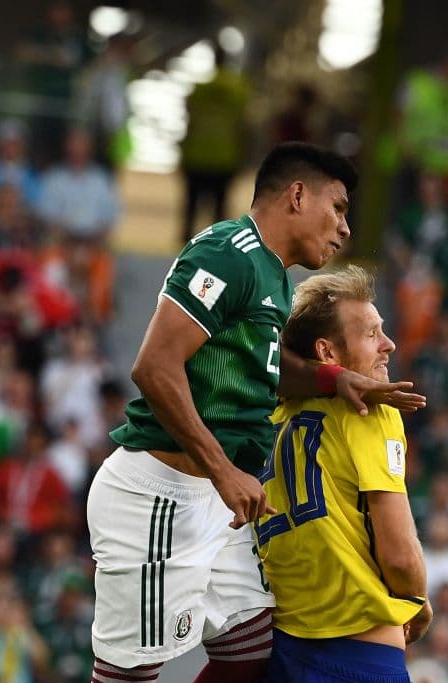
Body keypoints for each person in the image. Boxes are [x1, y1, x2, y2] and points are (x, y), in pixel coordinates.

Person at [86, 143, 426, 683]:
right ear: (297, 195)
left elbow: (270, 368)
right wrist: (223, 471)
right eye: (337, 208)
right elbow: (154, 366)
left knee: (251, 650)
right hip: (163, 494)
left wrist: (334, 379)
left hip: (215, 502)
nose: (345, 228)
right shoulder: (230, 252)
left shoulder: (270, 274)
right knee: (129, 674)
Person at [259, 264, 433, 681]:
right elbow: (400, 557)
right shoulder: (369, 409)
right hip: (360, 657)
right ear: (327, 353)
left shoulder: (270, 420)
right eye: (371, 333)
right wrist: (417, 598)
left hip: (279, 652)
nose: (388, 344)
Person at [179, 46, 251, 243]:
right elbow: (243, 126)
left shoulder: (199, 89)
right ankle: (218, 245)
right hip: (225, 155)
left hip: (197, 153)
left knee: (191, 206)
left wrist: (182, 153)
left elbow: (189, 123)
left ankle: (185, 244)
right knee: (220, 207)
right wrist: (242, 156)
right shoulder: (239, 89)